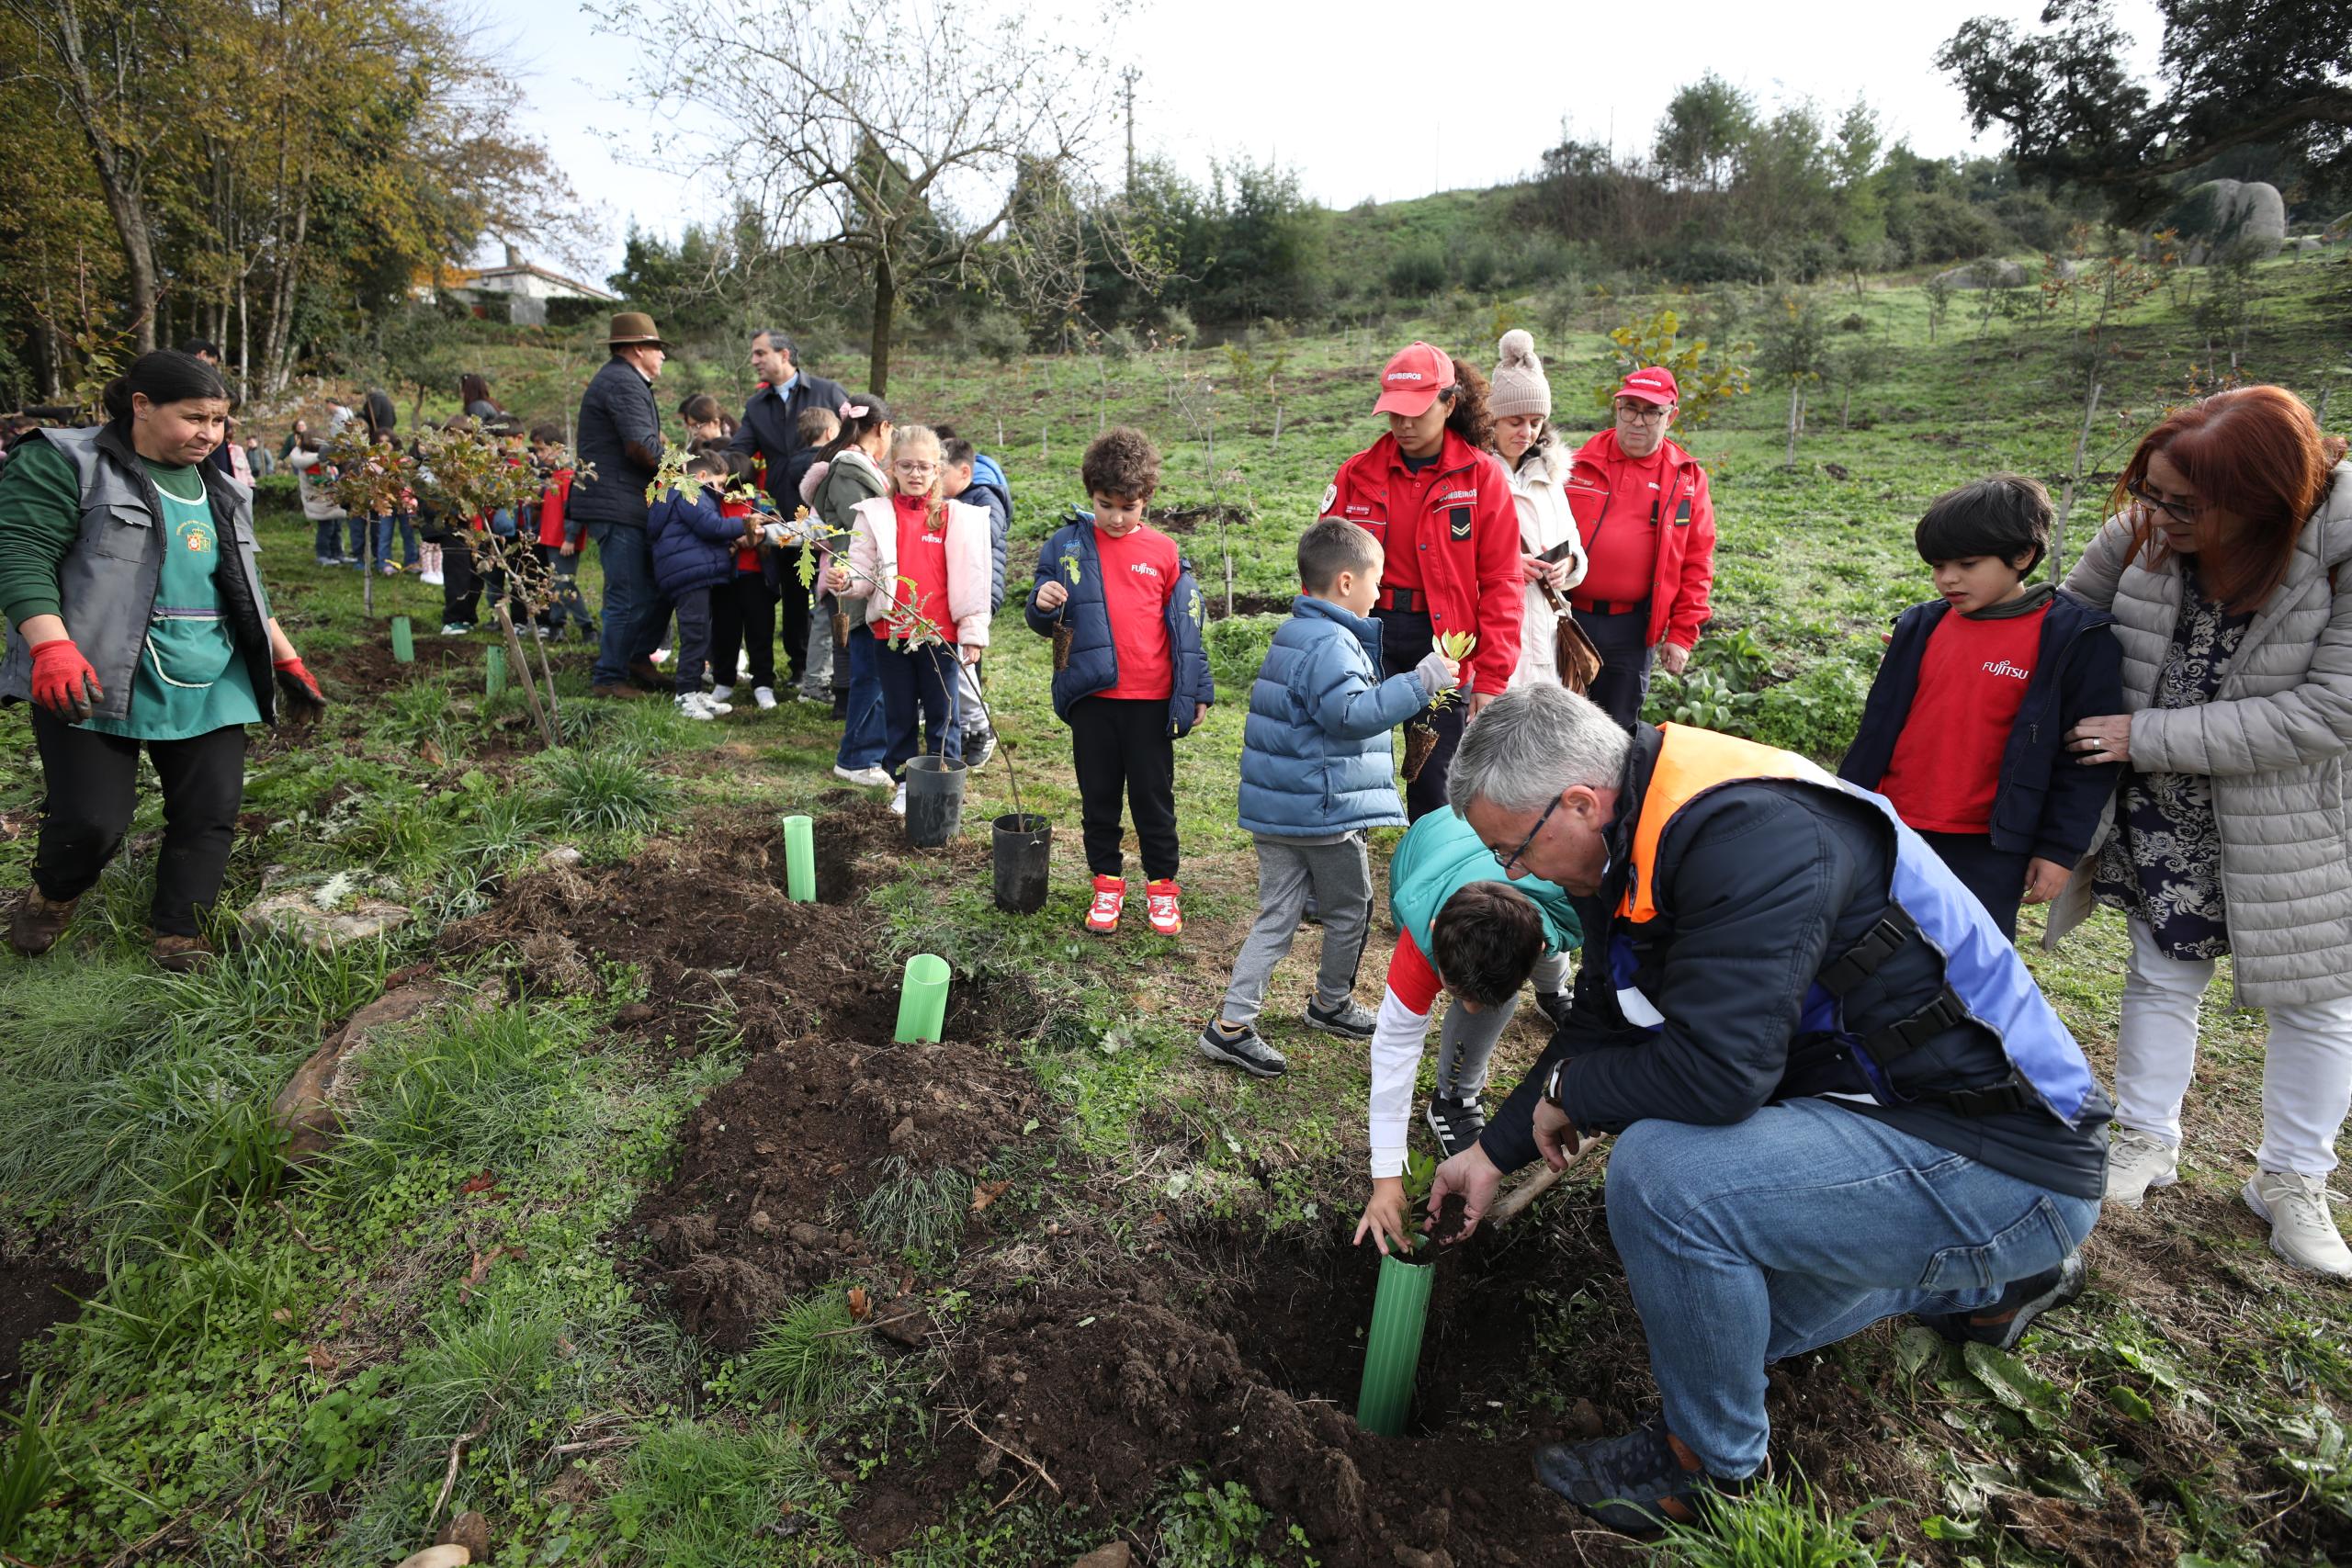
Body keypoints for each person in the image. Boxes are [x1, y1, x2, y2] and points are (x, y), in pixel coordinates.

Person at [1427, 688, 2109, 1530]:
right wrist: (1491, 1152)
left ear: (1579, 801)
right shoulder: (1639, 828)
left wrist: (1575, 1094)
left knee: (1663, 1178)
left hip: (2002, 1156)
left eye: (1514, 849)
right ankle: (1997, 1280)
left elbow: (1720, 1077)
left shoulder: (1753, 838)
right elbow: (1606, 1019)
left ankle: (1710, 1472)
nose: (1515, 875)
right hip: (1899, 1120)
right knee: (1720, 1327)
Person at [2045, 385, 2352, 1278]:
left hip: (2296, 818)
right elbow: (2062, 629)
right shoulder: (2143, 535)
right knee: (2159, 972)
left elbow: (2334, 708)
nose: (2156, 515)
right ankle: (2145, 1138)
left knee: (2318, 1003)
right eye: (2150, 491)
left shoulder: (2339, 554)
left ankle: (2292, 1181)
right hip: (2166, 811)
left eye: (2182, 503)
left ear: (2261, 501)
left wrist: (2145, 736)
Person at [1, 350, 328, 971]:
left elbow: (244, 581)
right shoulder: (64, 461)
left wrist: (288, 661)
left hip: (207, 670)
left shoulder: (223, 486)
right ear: (142, 406)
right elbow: (21, 555)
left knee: (210, 810)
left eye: (220, 420)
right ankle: (53, 893)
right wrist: (50, 645)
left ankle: (181, 933)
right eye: (195, 417)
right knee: (92, 820)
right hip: (93, 672)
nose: (210, 433)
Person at [1201, 519, 1463, 1079]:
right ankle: (1331, 1003)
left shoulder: (1299, 632)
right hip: (1323, 810)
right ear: (1346, 582)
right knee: (1351, 908)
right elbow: (1350, 715)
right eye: (1376, 581)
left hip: (1281, 808)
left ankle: (1231, 1023)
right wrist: (1422, 681)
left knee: (1278, 915)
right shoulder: (1330, 643)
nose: (1380, 592)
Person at [1838, 476, 2122, 940]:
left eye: (1967, 564)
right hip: (1891, 823)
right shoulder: (1920, 626)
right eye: (1937, 565)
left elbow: (2083, 763)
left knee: (1967, 961)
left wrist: (2057, 849)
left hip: (1989, 847)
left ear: (2023, 556)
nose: (1947, 578)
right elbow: (1878, 728)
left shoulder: (2075, 641)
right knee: (1861, 943)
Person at [1025, 427, 1214, 937]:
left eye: (1128, 507)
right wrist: (1040, 604)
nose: (1115, 517)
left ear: (1146, 500)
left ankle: (1162, 889)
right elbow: (1042, 613)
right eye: (1105, 504)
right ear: (1091, 495)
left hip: (1151, 702)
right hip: (1092, 697)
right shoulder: (1066, 545)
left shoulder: (1165, 552)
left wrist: (1198, 688)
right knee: (1099, 797)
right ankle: (1106, 884)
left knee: (1155, 799)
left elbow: (1189, 628)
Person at [1323, 342, 1522, 818]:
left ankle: (1433, 869)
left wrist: (1491, 676)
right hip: (1366, 638)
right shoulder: (1357, 474)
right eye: (1394, 413)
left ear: (1449, 404)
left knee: (1435, 778)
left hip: (1445, 648)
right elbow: (1323, 567)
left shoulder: (1481, 479)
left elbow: (1502, 581)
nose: (1404, 425)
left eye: (1416, 412)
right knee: (1354, 763)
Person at [1353, 832, 1581, 1247]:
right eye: (1458, 994)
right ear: (1437, 932)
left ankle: (1553, 990)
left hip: (1537, 901)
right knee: (1488, 1005)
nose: (1469, 1009)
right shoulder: (1422, 937)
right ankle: (1453, 1100)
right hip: (1432, 846)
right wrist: (1386, 1177)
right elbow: (1395, 1050)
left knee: (1527, 971)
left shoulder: (1569, 899)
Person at [838, 426, 992, 815]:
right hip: (891, 634)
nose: (916, 474)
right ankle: (906, 784)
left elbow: (974, 581)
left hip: (939, 635)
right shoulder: (874, 515)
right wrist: (846, 580)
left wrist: (972, 634)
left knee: (945, 715)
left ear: (938, 470)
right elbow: (860, 570)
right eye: (906, 465)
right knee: (900, 714)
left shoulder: (954, 518)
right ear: (892, 467)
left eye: (924, 466)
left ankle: (945, 786)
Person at [1564, 367, 1717, 729]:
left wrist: (1681, 634)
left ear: (1671, 416)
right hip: (1567, 618)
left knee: (1616, 734)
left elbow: (1698, 560)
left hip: (1632, 630)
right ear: (1616, 409)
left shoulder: (1687, 478)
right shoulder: (1575, 462)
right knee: (1558, 727)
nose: (1638, 421)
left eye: (1651, 412)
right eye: (1630, 408)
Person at [732, 330, 847, 702]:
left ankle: (836, 671)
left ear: (784, 355)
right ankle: (801, 667)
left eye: (759, 353)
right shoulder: (756, 406)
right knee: (796, 592)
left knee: (830, 592)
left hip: (828, 515)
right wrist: (712, 469)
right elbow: (740, 452)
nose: (754, 360)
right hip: (782, 513)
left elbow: (852, 442)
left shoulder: (828, 393)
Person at [572, 312, 672, 699]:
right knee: (628, 593)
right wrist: (681, 471)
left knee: (653, 587)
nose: (663, 355)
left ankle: (635, 660)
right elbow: (640, 447)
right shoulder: (622, 383)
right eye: (657, 348)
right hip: (617, 502)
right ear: (638, 348)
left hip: (624, 501)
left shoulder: (625, 380)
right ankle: (609, 678)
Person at [1487, 330, 1587, 691]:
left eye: (1535, 422)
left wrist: (1571, 564)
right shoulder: (1475, 477)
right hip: (1495, 639)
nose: (1526, 432)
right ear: (1492, 420)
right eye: (1515, 421)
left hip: (1546, 638)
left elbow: (1574, 544)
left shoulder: (1550, 477)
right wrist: (1507, 567)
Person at [810, 397, 896, 784]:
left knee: (876, 670)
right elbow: (855, 533)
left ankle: (869, 751)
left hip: (868, 580)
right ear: (883, 428)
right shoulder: (848, 471)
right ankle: (857, 757)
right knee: (870, 672)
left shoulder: (858, 467)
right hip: (857, 582)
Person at [649, 446, 758, 720]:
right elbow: (710, 526)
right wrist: (745, 524)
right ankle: (685, 695)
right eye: (719, 484)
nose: (721, 490)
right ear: (702, 475)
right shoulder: (690, 492)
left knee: (700, 634)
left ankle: (695, 690)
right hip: (689, 575)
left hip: (692, 573)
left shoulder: (685, 494)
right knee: (695, 635)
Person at [938, 429, 1012, 765]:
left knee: (963, 660)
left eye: (941, 475)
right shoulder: (952, 500)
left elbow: (987, 534)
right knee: (952, 658)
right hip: (951, 590)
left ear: (964, 472)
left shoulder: (985, 498)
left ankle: (980, 727)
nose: (933, 482)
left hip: (978, 591)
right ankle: (966, 724)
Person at [526, 423, 594, 641]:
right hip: (550, 537)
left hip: (562, 540)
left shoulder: (568, 475)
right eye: (537, 450)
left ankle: (587, 628)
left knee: (564, 584)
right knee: (554, 583)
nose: (540, 455)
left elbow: (573, 509)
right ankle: (557, 625)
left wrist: (570, 538)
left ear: (557, 449)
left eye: (543, 450)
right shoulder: (552, 476)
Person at [286, 421, 348, 565]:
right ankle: (323, 555)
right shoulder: (310, 461)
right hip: (321, 502)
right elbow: (315, 480)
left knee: (336, 529)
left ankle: (338, 553)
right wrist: (332, 482)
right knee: (326, 530)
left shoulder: (320, 458)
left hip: (331, 501)